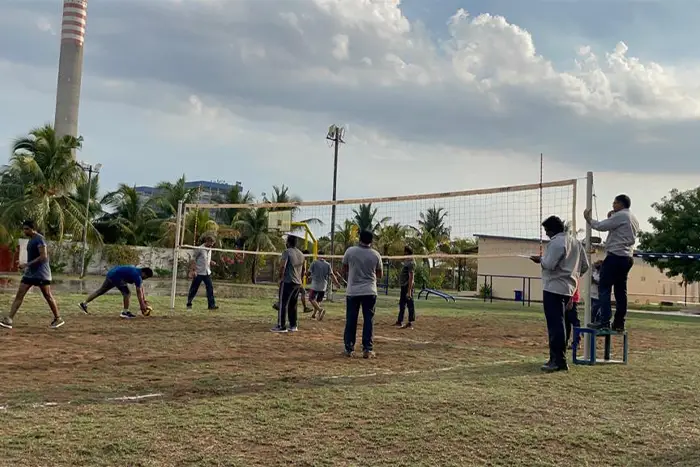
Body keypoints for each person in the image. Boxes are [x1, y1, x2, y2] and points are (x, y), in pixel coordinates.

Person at [530, 216, 589, 372]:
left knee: (555, 325)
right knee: (562, 323)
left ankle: (558, 361)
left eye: (546, 231)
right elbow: (585, 266)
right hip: (568, 288)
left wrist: (540, 260)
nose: (546, 234)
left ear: (551, 230)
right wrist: (573, 277)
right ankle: (558, 358)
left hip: (553, 287)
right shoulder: (576, 242)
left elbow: (549, 264)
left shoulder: (556, 242)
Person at [584, 194, 639, 331]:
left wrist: (589, 219)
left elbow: (601, 226)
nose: (613, 205)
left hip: (615, 256)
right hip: (627, 257)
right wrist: (612, 216)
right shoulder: (632, 217)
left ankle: (604, 321)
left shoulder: (621, 216)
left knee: (604, 288)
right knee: (620, 291)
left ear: (621, 204)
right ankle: (619, 323)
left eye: (615, 203)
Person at [0, 220, 64, 330]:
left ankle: (58, 318)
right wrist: (26, 266)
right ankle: (9, 319)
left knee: (48, 296)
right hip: (30, 274)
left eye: (27, 229)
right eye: (24, 229)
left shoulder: (40, 239)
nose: (24, 231)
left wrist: (26, 264)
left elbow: (43, 256)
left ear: (33, 229)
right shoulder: (31, 240)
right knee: (19, 295)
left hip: (41, 274)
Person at [343, 230, 383, 359]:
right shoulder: (376, 255)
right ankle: (367, 349)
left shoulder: (350, 251)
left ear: (359, 238)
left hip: (353, 291)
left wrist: (354, 275)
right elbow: (380, 274)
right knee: (368, 320)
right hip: (369, 291)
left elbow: (344, 269)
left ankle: (349, 349)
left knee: (351, 320)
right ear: (371, 241)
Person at [80, 266, 154, 318]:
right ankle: (125, 312)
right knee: (127, 293)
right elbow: (138, 292)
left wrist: (143, 300)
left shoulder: (137, 272)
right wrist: (142, 305)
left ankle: (83, 304)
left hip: (111, 274)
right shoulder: (137, 275)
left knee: (101, 291)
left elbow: (141, 288)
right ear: (144, 273)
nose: (145, 279)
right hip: (116, 277)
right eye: (146, 277)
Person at [271, 235, 306, 333]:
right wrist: (300, 280)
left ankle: (281, 326)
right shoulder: (301, 254)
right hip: (297, 283)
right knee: (293, 305)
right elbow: (304, 270)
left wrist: (280, 278)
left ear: (288, 242)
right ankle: (293, 325)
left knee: (283, 304)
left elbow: (283, 266)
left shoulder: (287, 252)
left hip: (288, 281)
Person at [186, 235, 218, 310]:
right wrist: (193, 270)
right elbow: (194, 259)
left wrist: (211, 262)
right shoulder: (200, 249)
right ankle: (189, 303)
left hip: (207, 272)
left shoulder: (210, 249)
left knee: (210, 288)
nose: (211, 245)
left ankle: (211, 305)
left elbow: (205, 259)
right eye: (211, 243)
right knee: (194, 289)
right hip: (199, 272)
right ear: (207, 241)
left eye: (213, 244)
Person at [308, 251, 340, 321]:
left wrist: (306, 275)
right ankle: (314, 315)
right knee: (318, 300)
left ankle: (320, 310)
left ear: (317, 255)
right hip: (323, 286)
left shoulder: (314, 262)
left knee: (311, 298)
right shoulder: (328, 264)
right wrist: (336, 283)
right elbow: (331, 275)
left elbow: (309, 272)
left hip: (315, 285)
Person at [395, 245, 416, 329]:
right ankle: (400, 321)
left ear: (407, 252)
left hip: (407, 286)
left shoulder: (411, 263)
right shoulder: (406, 261)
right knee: (402, 304)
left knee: (410, 304)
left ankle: (410, 322)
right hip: (403, 286)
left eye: (405, 252)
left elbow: (411, 277)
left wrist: (409, 290)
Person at [565, 279, 581, 350]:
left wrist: (571, 298)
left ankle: (576, 342)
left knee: (575, 322)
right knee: (566, 322)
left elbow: (574, 284)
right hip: (566, 298)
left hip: (572, 299)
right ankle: (565, 341)